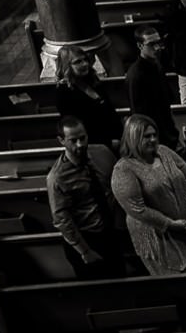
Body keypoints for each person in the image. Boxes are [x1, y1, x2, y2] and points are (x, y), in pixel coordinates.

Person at [111, 113, 186, 275]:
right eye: (147, 136)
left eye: (154, 135)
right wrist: (170, 224)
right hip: (158, 238)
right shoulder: (124, 169)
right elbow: (137, 209)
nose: (153, 139)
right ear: (133, 138)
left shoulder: (164, 152)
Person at [47, 116, 129, 279]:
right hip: (87, 238)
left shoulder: (101, 152)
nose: (80, 144)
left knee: (121, 280)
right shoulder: (57, 178)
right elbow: (62, 220)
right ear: (61, 141)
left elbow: (118, 182)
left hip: (111, 231)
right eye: (73, 140)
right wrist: (85, 251)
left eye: (83, 138)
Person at [53, 45, 121, 151]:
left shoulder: (92, 80)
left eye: (85, 59)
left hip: (116, 141)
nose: (85, 64)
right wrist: (108, 142)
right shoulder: (64, 92)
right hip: (95, 147)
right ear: (66, 66)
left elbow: (110, 111)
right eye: (78, 62)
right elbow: (77, 128)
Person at [125, 25, 179, 150]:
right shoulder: (136, 75)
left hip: (168, 133)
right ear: (140, 46)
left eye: (158, 43)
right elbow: (139, 116)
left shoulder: (157, 66)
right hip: (153, 139)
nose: (157, 48)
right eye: (151, 44)